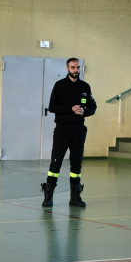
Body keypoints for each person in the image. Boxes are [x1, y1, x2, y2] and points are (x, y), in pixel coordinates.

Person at [42, 57, 97, 208]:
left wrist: (84, 111)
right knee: (56, 162)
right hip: (62, 129)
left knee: (76, 164)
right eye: (73, 68)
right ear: (67, 68)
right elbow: (52, 106)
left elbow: (93, 107)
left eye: (78, 67)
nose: (76, 71)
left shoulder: (85, 86)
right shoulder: (59, 85)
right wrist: (70, 109)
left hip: (78, 130)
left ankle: (75, 197)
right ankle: (48, 196)